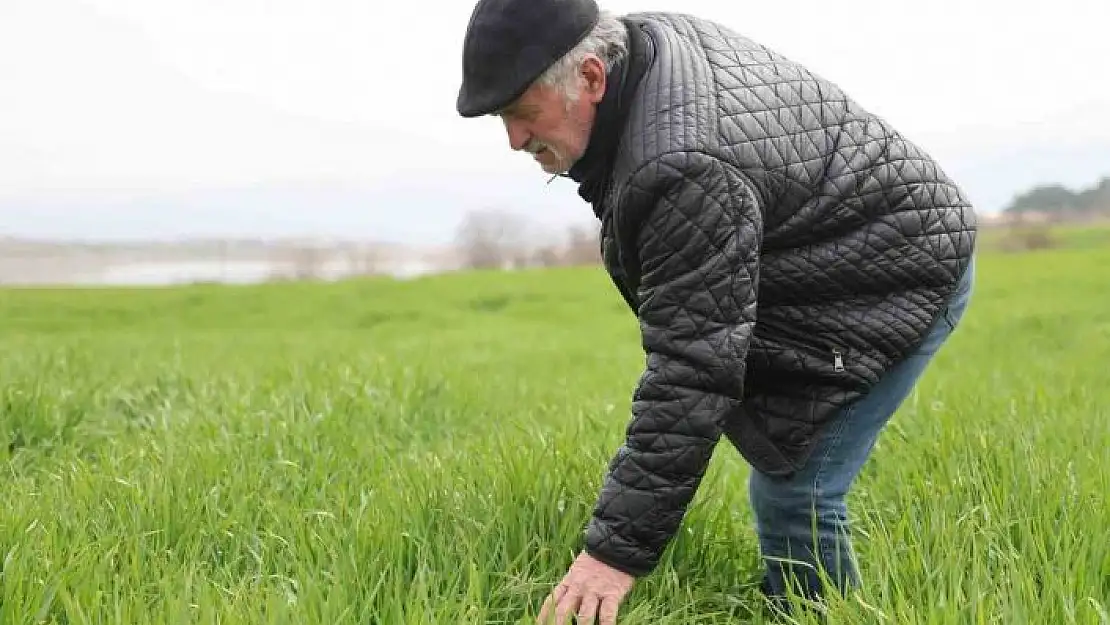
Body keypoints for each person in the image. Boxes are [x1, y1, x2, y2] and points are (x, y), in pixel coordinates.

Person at [455, 1, 977, 623]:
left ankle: (816, 614)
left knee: (797, 491)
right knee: (784, 463)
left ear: (592, 77)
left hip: (897, 273)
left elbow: (693, 368)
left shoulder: (681, 166)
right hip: (837, 252)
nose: (514, 139)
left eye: (520, 111)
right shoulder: (639, 45)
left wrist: (612, 556)